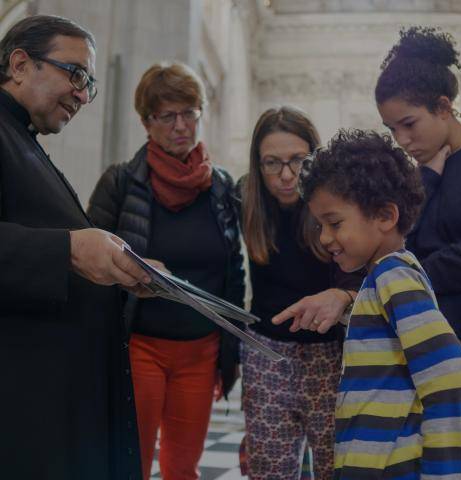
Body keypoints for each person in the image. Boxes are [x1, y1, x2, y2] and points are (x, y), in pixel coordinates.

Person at [0, 14, 153, 480]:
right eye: (76, 74)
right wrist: (68, 248)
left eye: (91, 83)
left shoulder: (23, 139)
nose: (84, 95)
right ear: (21, 64)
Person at [88, 62, 245, 480]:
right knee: (130, 463)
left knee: (183, 468)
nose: (181, 125)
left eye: (189, 112)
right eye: (167, 116)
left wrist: (230, 352)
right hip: (139, 345)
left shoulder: (222, 187)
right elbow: (86, 261)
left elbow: (235, 267)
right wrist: (130, 269)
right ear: (146, 122)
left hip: (201, 350)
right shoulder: (121, 183)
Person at [300, 128, 461, 480]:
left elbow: (451, 378)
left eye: (334, 223)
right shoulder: (384, 278)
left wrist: (441, 475)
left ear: (385, 216)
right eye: (320, 225)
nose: (324, 238)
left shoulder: (393, 278)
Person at [375, 26, 461, 479]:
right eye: (391, 128)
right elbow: (403, 241)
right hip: (428, 344)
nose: (401, 139)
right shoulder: (422, 174)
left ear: (443, 107)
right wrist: (431, 179)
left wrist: (413, 274)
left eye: (409, 124)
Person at [236, 106, 360, 480]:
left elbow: (366, 270)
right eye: (272, 163)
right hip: (266, 354)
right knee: (269, 469)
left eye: (297, 161)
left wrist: (345, 296)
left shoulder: (335, 204)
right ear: (258, 165)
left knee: (334, 466)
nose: (286, 176)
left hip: (329, 354)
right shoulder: (245, 198)